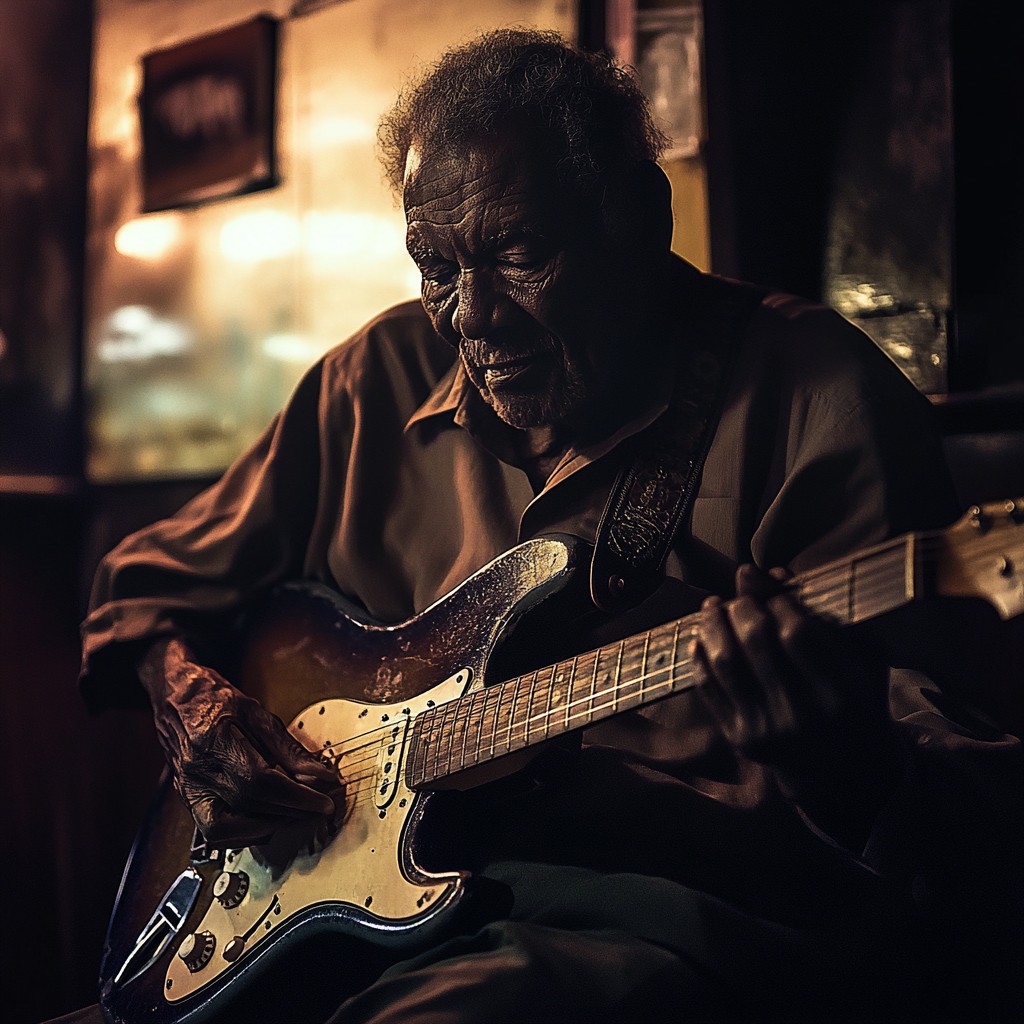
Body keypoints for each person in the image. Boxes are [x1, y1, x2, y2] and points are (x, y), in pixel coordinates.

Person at [64, 28, 1020, 1024]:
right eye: (435, 266)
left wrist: (845, 760)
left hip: (666, 917)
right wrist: (190, 704)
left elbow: (967, 817)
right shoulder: (368, 383)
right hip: (360, 910)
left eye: (519, 254)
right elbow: (143, 587)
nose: (472, 317)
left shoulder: (817, 394)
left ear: (640, 219)